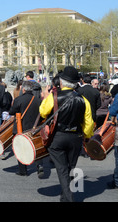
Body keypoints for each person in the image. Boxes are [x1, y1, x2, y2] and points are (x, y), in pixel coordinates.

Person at [39, 66, 93, 202]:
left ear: (61, 82)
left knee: (63, 169)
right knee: (70, 167)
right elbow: (88, 124)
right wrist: (86, 137)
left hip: (58, 136)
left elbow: (43, 112)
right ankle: (65, 197)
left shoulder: (54, 96)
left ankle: (69, 198)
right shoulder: (83, 100)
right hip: (76, 138)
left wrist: (46, 97)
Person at [9, 81, 42, 177]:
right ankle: (39, 165)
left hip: (21, 128)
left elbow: (12, 112)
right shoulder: (37, 100)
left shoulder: (19, 100)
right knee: (35, 146)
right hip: (34, 128)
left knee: (21, 149)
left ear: (23, 89)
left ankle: (23, 170)